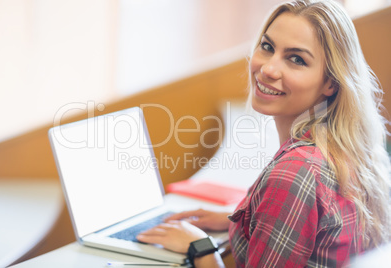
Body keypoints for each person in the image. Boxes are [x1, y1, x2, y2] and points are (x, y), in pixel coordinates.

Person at [137, 0, 391, 267]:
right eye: (267, 47)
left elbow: (296, 188)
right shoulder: (350, 150)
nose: (268, 69)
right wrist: (244, 218)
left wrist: (199, 246)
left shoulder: (295, 172)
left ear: (331, 82)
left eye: (296, 59)